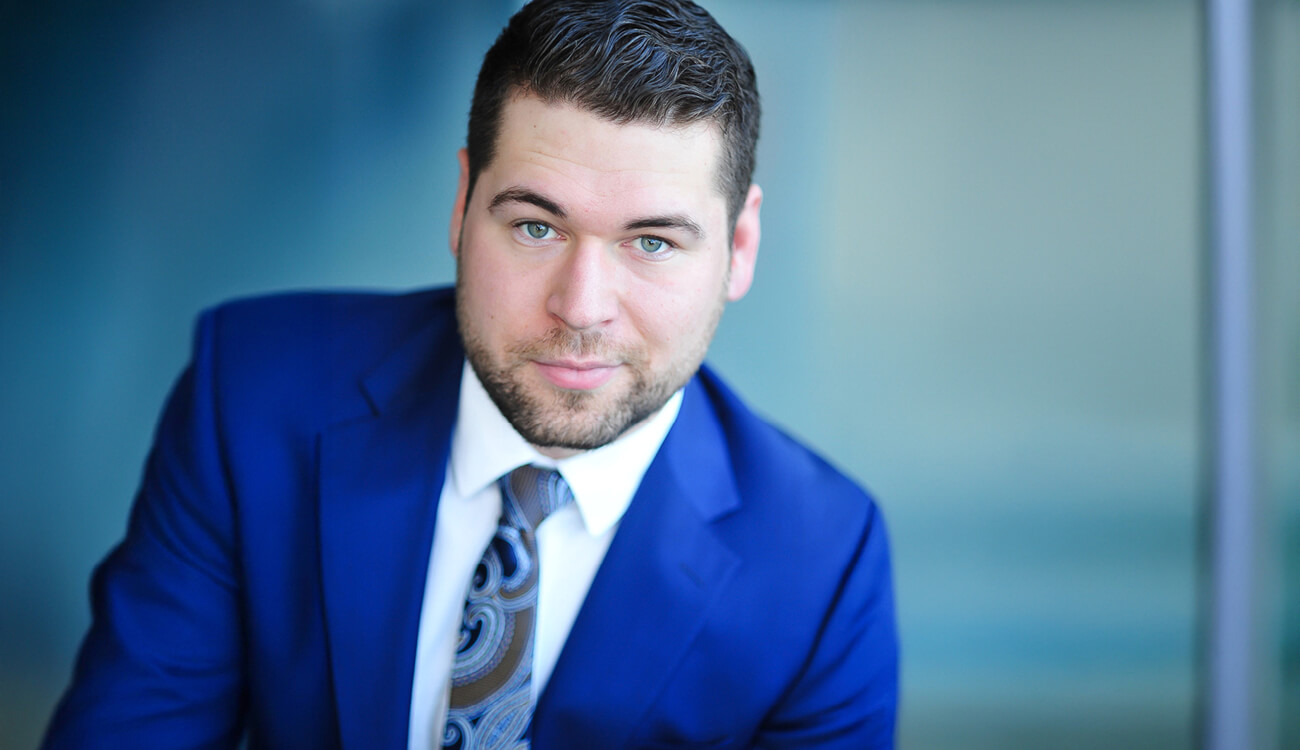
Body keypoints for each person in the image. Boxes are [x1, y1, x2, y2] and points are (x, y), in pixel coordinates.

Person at [42, 0, 898, 747]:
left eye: (652, 242)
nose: (581, 308)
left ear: (739, 248)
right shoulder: (252, 397)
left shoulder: (822, 562)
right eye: (535, 227)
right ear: (461, 205)